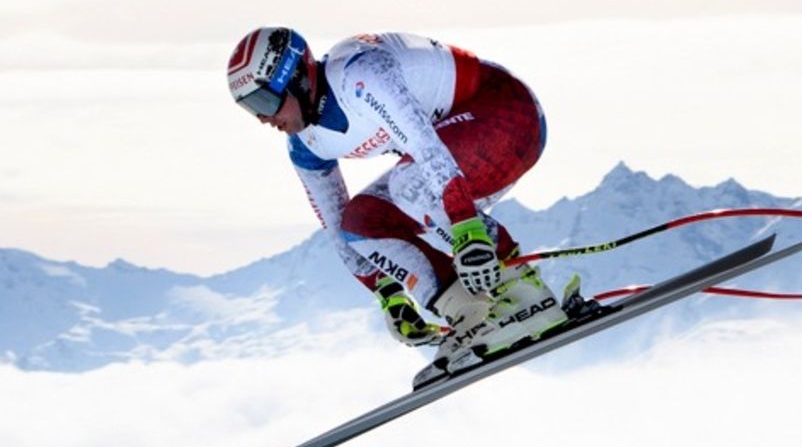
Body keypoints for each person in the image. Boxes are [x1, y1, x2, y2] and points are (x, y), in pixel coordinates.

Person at [226, 27, 580, 387]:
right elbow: (337, 230)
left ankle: (524, 293)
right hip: (457, 155)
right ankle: (470, 314)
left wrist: (466, 228)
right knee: (362, 223)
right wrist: (387, 292)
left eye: (264, 102)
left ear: (297, 78)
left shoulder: (360, 74)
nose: (262, 119)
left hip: (508, 115)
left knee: (408, 185)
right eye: (249, 108)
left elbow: (425, 146)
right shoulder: (306, 146)